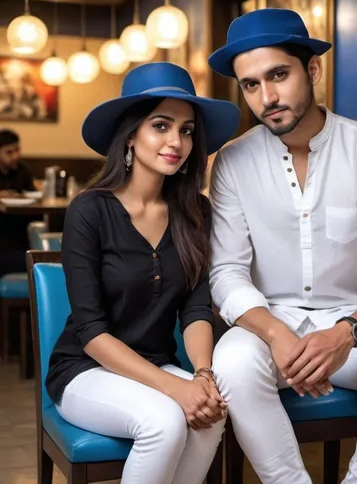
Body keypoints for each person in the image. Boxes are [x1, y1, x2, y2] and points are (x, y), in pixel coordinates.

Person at [207, 8, 357, 484]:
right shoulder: (231, 162)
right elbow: (226, 272)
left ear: (312, 69)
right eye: (251, 84)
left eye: (278, 75)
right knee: (231, 360)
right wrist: (277, 335)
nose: (267, 97)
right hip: (270, 328)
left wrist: (346, 333)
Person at [45, 62, 240, 484]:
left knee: (212, 414)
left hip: (156, 363)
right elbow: (92, 333)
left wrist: (202, 376)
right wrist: (176, 389)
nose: (177, 141)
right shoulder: (89, 209)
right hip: (84, 370)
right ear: (131, 134)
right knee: (165, 421)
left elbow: (196, 308)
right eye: (161, 125)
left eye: (187, 130)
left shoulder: (196, 213)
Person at [0, 129, 39, 276]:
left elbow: (33, 193)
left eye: (17, 150)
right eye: (9, 152)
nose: (15, 156)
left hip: (20, 237)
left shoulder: (22, 169)